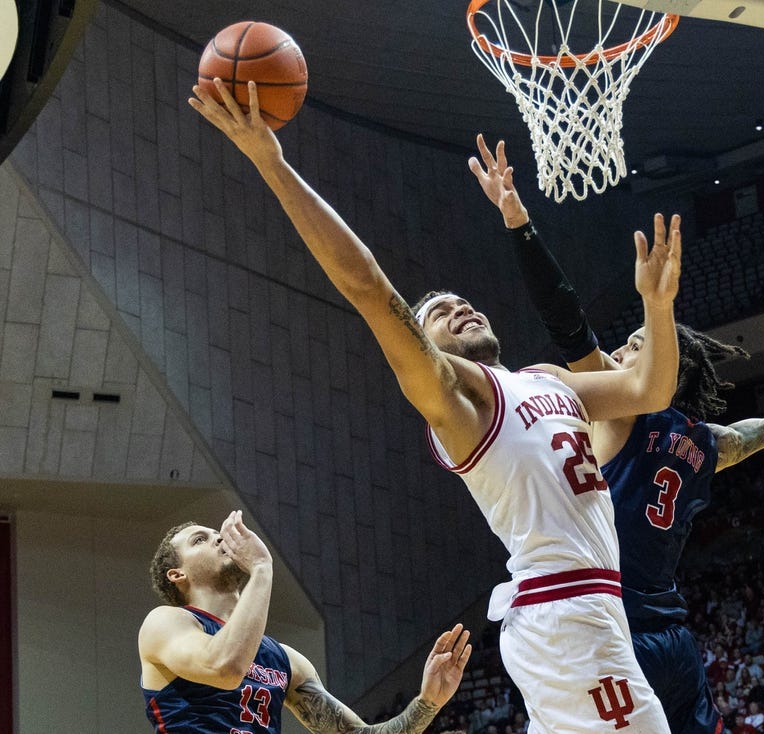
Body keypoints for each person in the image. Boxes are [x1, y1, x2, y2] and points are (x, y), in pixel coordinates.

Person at [190, 82, 683, 734]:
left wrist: (657, 306)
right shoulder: (457, 403)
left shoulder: (545, 380)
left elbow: (650, 391)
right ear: (427, 345)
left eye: (460, 301)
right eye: (437, 314)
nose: (458, 307)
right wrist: (271, 161)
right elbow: (366, 286)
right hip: (564, 611)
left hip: (583, 612)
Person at [467, 136, 764, 734]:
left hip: (619, 634)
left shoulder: (623, 414)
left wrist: (520, 226)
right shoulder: (703, 443)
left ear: (664, 367)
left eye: (633, 347)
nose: (622, 351)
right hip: (676, 642)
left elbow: (568, 325)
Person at [139, 511, 472, 732]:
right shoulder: (166, 623)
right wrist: (261, 567)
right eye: (200, 540)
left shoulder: (285, 660)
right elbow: (224, 668)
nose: (218, 538)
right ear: (176, 574)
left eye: (216, 533)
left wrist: (428, 703)